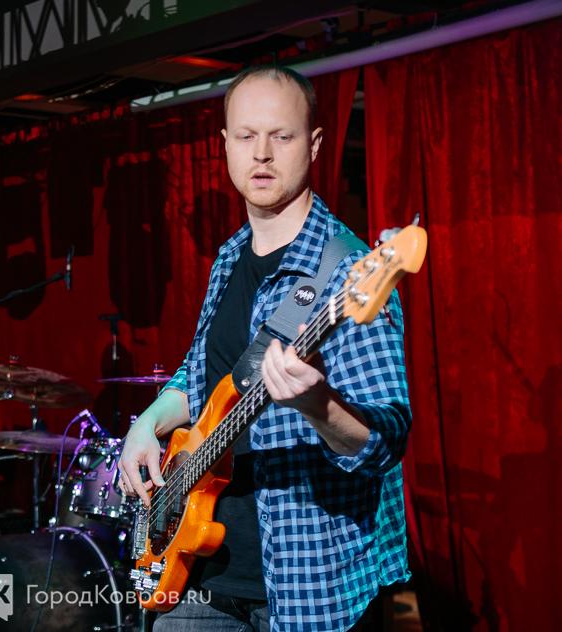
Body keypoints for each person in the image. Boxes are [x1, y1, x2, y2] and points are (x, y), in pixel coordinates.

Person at [117, 66, 411, 632]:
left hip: (307, 585)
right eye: (247, 136)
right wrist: (148, 422)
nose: (262, 154)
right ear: (225, 144)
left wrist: (317, 405)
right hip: (197, 572)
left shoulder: (348, 273)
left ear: (315, 144)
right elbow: (202, 373)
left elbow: (385, 441)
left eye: (282, 136)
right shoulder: (230, 257)